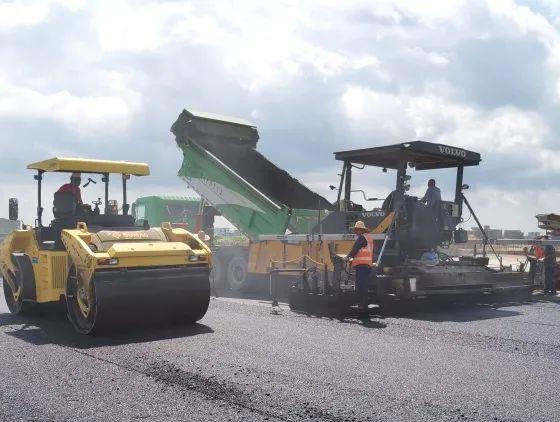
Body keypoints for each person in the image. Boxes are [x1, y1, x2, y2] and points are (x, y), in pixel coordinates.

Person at [346, 220, 375, 310]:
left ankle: (361, 304)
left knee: (360, 285)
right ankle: (363, 304)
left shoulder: (362, 238)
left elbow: (355, 248)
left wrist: (349, 256)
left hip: (362, 266)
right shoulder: (369, 238)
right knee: (364, 285)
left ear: (361, 230)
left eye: (356, 230)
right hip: (367, 265)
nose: (355, 232)